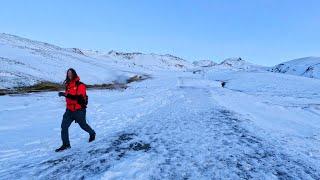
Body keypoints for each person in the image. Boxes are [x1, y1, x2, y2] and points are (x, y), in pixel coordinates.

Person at [55, 68, 96, 152]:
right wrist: (65, 95)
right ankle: (66, 145)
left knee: (83, 125)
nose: (69, 74)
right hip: (69, 110)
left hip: (79, 110)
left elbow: (78, 98)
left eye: (71, 73)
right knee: (64, 126)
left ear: (74, 74)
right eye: (68, 73)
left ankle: (92, 133)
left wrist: (64, 94)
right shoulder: (68, 85)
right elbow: (69, 96)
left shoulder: (80, 85)